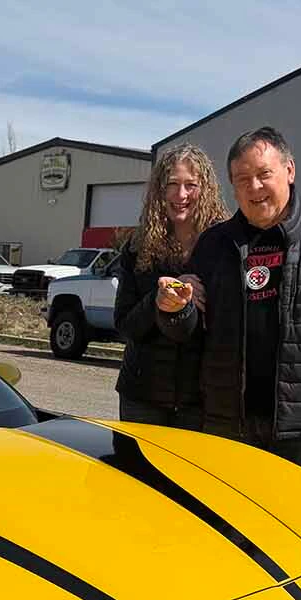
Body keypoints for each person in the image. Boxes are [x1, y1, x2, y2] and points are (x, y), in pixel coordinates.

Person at [160, 127, 301, 483]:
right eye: (242, 179)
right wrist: (173, 310)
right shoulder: (214, 244)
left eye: (264, 174)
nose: (254, 188)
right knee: (229, 526)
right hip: (229, 422)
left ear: (289, 170)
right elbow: (190, 330)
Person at [111, 143, 228, 429]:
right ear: (159, 190)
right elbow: (124, 325)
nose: (181, 195)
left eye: (191, 184)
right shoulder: (139, 247)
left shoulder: (226, 245)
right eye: (172, 184)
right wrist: (158, 300)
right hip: (143, 398)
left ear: (207, 189)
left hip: (202, 402)